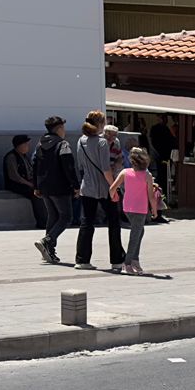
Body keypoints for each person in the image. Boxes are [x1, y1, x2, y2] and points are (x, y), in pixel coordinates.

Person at [72, 111, 126, 270]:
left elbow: (80, 166)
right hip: (104, 187)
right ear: (101, 124)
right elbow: (106, 169)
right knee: (114, 222)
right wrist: (114, 188)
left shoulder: (80, 141)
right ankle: (116, 260)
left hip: (87, 186)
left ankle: (82, 259)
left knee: (86, 222)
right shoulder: (102, 143)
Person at [30, 116, 78, 264]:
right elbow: (68, 167)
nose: (64, 131)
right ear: (58, 129)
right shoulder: (63, 144)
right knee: (66, 216)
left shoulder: (39, 145)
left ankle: (48, 250)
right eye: (63, 128)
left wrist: (36, 186)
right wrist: (75, 185)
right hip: (60, 187)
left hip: (44, 187)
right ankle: (48, 241)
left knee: (53, 215)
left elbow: (34, 165)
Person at [110, 148, 161, 275]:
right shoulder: (147, 175)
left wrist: (113, 196)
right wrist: (154, 210)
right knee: (135, 234)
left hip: (127, 207)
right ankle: (127, 263)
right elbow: (151, 196)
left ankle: (135, 260)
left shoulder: (125, 172)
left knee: (139, 231)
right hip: (140, 208)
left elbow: (112, 188)